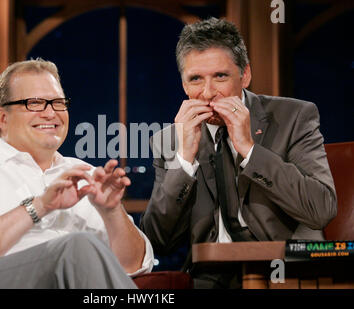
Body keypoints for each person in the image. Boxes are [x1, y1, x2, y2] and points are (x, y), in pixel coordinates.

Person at [0, 59, 154, 289]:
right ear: (3, 117)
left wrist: (111, 212)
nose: (51, 113)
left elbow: (133, 266)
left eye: (58, 103)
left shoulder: (85, 175)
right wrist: (41, 205)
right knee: (77, 249)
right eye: (35, 103)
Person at [140, 17, 337, 288]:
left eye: (220, 76)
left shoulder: (293, 117)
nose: (208, 93)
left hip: (286, 269)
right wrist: (183, 160)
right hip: (209, 277)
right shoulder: (167, 142)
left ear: (245, 75)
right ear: (184, 86)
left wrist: (249, 149)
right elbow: (159, 241)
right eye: (196, 79)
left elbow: (320, 210)